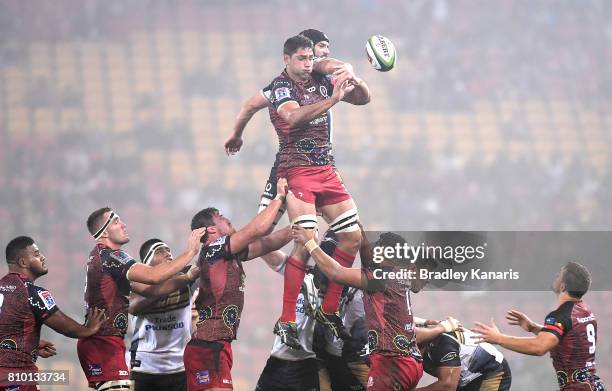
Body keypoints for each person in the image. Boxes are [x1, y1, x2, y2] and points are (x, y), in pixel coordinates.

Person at [270, 34, 371, 349]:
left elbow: (363, 99)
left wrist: (356, 79)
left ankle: (329, 309)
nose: (307, 63)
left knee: (353, 237)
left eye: (309, 58)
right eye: (301, 58)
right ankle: (286, 320)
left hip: (326, 170)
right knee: (305, 241)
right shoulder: (280, 86)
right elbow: (293, 116)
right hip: (298, 171)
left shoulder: (319, 79)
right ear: (287, 59)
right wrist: (332, 100)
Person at [292, 226, 458, 391]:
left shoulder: (381, 278)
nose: (374, 250)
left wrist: (309, 242)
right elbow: (367, 257)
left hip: (392, 362)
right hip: (407, 362)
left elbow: (336, 273)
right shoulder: (395, 275)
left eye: (378, 247)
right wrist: (355, 224)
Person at [78, 207, 205, 391]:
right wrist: (190, 251)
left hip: (110, 343)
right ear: (104, 231)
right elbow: (152, 279)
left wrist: (187, 277)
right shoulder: (111, 256)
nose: (123, 224)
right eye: (116, 221)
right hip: (108, 344)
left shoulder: (103, 257)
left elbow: (149, 289)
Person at [185, 179, 293, 391]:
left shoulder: (227, 253)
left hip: (215, 345)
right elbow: (258, 229)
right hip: (209, 346)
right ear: (212, 230)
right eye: (221, 217)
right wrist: (279, 196)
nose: (228, 219)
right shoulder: (214, 249)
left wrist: (300, 224)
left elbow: (267, 243)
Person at [473, 261, 605, 391]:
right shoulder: (585, 312)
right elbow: (567, 338)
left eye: (559, 275)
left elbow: (539, 347)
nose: (555, 276)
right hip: (592, 385)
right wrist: (533, 327)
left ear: (563, 286)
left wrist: (499, 338)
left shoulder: (560, 315)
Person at [0, 236, 106, 390]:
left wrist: (31, 344)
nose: (43, 257)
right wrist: (88, 330)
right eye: (36, 254)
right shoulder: (33, 292)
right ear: (23, 262)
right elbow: (64, 326)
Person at [127, 238, 201, 391]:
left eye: (168, 250)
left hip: (180, 368)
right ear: (147, 262)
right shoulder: (136, 284)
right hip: (144, 368)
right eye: (160, 251)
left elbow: (205, 264)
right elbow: (133, 307)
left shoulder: (186, 275)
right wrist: (166, 287)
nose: (168, 253)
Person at [417, 329, 511, 391]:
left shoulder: (441, 343)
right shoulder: (416, 348)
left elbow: (448, 387)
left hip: (491, 370)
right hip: (464, 378)